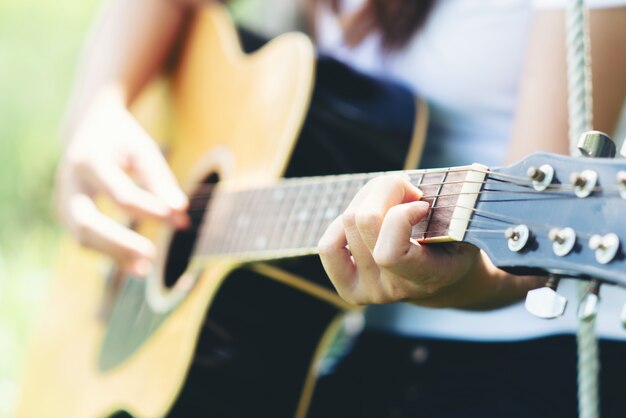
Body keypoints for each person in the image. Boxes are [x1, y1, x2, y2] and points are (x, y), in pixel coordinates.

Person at [56, 0, 626, 417]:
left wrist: (455, 276)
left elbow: (521, 263)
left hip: (541, 354)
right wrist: (97, 111)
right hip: (371, 349)